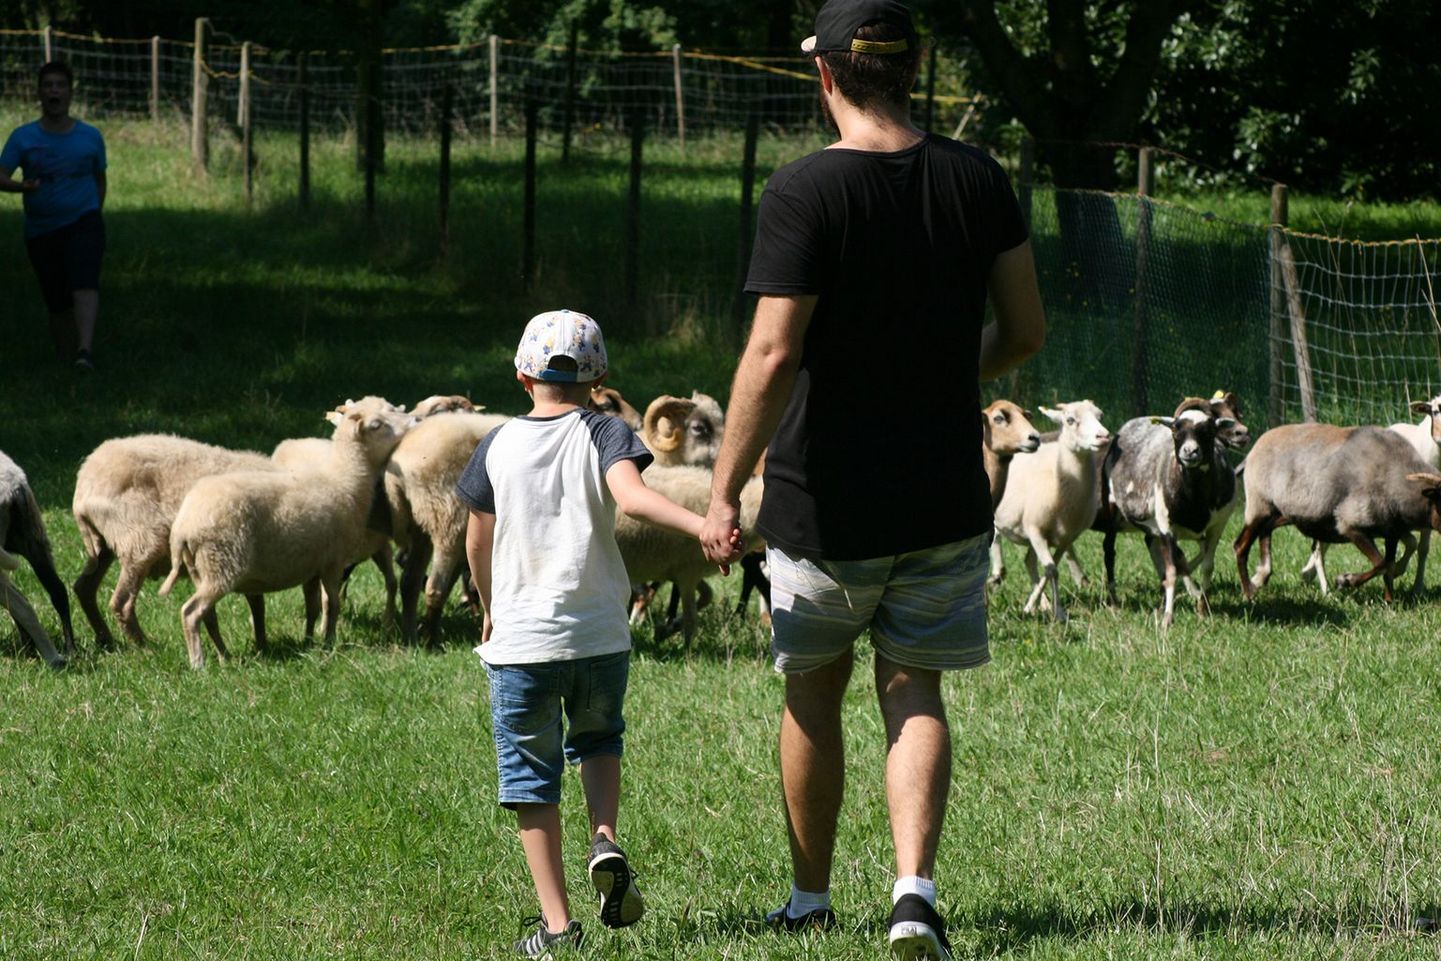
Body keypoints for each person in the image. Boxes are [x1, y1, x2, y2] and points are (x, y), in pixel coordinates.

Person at [698, 1, 1047, 958]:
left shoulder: (806, 190)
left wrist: (724, 491)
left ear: (826, 76)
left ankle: (810, 901)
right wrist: (939, 371)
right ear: (909, 70)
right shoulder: (978, 178)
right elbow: (1023, 334)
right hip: (943, 494)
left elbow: (771, 355)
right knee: (915, 691)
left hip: (824, 502)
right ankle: (912, 894)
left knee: (812, 692)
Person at [458, 309, 739, 958]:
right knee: (597, 737)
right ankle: (604, 837)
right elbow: (635, 499)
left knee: (531, 776)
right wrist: (698, 526)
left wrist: (489, 601)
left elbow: (477, 533)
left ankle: (556, 925)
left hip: (522, 641)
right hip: (600, 635)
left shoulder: (495, 443)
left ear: (522, 374)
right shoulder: (606, 430)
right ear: (599, 377)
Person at [0, 61, 108, 371]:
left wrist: (93, 214)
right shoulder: (22, 137)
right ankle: (66, 354)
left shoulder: (90, 136)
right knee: (56, 297)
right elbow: (1, 175)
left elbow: (100, 178)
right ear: (39, 93)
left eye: (60, 85)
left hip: (85, 221)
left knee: (85, 281)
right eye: (48, 85)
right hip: (42, 228)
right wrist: (22, 187)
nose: (54, 91)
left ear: (71, 92)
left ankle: (85, 350)